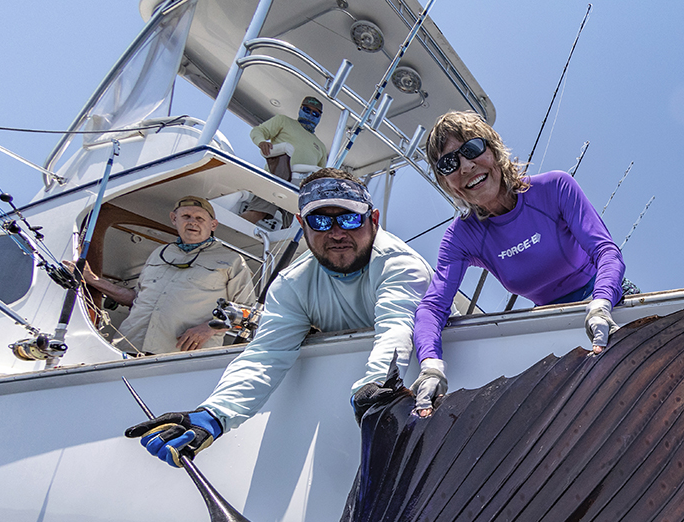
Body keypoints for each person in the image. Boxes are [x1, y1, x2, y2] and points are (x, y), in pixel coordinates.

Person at [124, 168, 434, 467]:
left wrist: (377, 384)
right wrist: (214, 415)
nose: (337, 233)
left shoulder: (399, 264)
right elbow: (266, 355)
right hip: (355, 415)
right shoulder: (292, 284)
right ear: (302, 223)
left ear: (374, 220)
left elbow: (398, 326)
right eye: (321, 221)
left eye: (350, 218)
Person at [411, 111, 625, 416]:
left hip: (609, 300)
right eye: (449, 163)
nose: (466, 166)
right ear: (446, 182)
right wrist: (431, 366)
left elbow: (606, 252)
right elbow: (432, 308)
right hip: (549, 320)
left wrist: (602, 302)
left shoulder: (554, 188)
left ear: (494, 150)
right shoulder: (461, 237)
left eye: (472, 149)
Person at [72, 196, 255, 354]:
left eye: (200, 218)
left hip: (178, 359)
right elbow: (136, 298)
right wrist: (92, 279)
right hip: (127, 348)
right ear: (174, 219)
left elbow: (248, 313)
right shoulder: (159, 253)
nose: (193, 222)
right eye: (186, 216)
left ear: (213, 225)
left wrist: (207, 329)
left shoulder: (232, 260)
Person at [242, 96, 330, 228]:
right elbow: (259, 131)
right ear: (300, 109)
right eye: (307, 110)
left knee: (291, 228)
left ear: (319, 118)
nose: (310, 115)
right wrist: (261, 142)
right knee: (256, 213)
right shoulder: (283, 121)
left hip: (298, 191)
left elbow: (320, 176)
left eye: (315, 114)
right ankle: (224, 234)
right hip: (276, 179)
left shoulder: (321, 147)